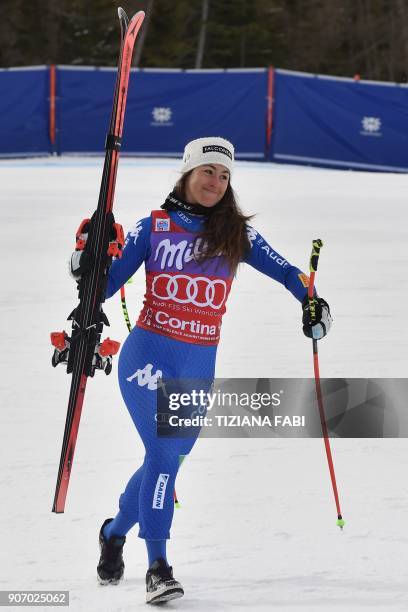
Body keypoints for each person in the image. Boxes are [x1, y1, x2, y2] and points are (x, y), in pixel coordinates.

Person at [71, 136, 332, 605]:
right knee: (166, 452)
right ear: (188, 174)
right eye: (208, 171)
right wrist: (86, 261)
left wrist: (311, 301)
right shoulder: (152, 226)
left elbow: (289, 272)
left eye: (225, 175)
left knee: (164, 459)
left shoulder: (237, 235)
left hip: (197, 363)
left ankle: (113, 533)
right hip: (147, 356)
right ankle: (159, 567)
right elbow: (101, 288)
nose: (216, 181)